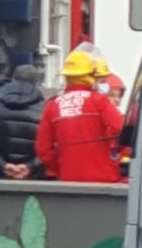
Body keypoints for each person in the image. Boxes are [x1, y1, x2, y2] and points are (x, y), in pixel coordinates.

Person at [36, 49, 123, 182]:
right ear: (90, 76)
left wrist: (61, 167)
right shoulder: (99, 101)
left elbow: (43, 150)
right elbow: (121, 130)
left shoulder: (52, 106)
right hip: (104, 180)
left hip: (68, 179)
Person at [0, 65, 46, 180]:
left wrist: (2, 165)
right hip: (34, 178)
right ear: (36, 82)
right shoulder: (45, 110)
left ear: (13, 78)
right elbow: (51, 146)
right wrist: (29, 167)